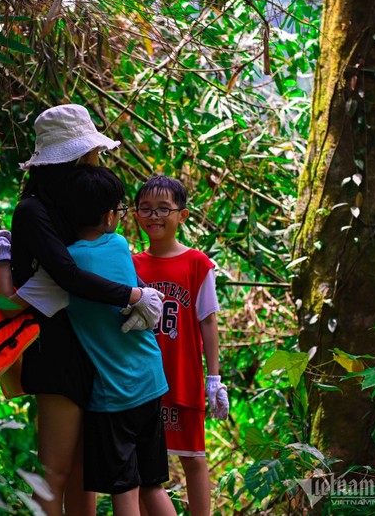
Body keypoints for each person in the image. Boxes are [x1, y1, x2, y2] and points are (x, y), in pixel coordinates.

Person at [0, 104, 163, 516]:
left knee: (86, 470)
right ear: (76, 156)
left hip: (91, 346)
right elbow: (65, 273)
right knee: (56, 469)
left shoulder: (76, 206)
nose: (98, 158)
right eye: (92, 152)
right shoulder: (33, 210)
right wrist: (132, 296)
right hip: (57, 349)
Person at [131, 174, 229, 516]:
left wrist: (214, 379)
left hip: (183, 376)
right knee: (146, 466)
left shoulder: (198, 264)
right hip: (143, 381)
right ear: (134, 214)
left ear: (182, 215)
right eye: (145, 209)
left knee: (193, 457)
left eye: (163, 209)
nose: (154, 216)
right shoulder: (131, 264)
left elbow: (208, 321)